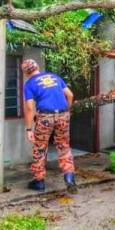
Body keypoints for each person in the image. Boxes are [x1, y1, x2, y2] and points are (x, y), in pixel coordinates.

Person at [21, 59, 77, 193]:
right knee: (64, 146)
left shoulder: (29, 84)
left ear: (26, 73)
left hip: (45, 117)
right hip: (63, 115)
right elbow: (70, 95)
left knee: (40, 147)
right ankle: (69, 177)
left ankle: (39, 181)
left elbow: (29, 107)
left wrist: (29, 129)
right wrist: (66, 111)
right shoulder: (54, 77)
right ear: (38, 67)